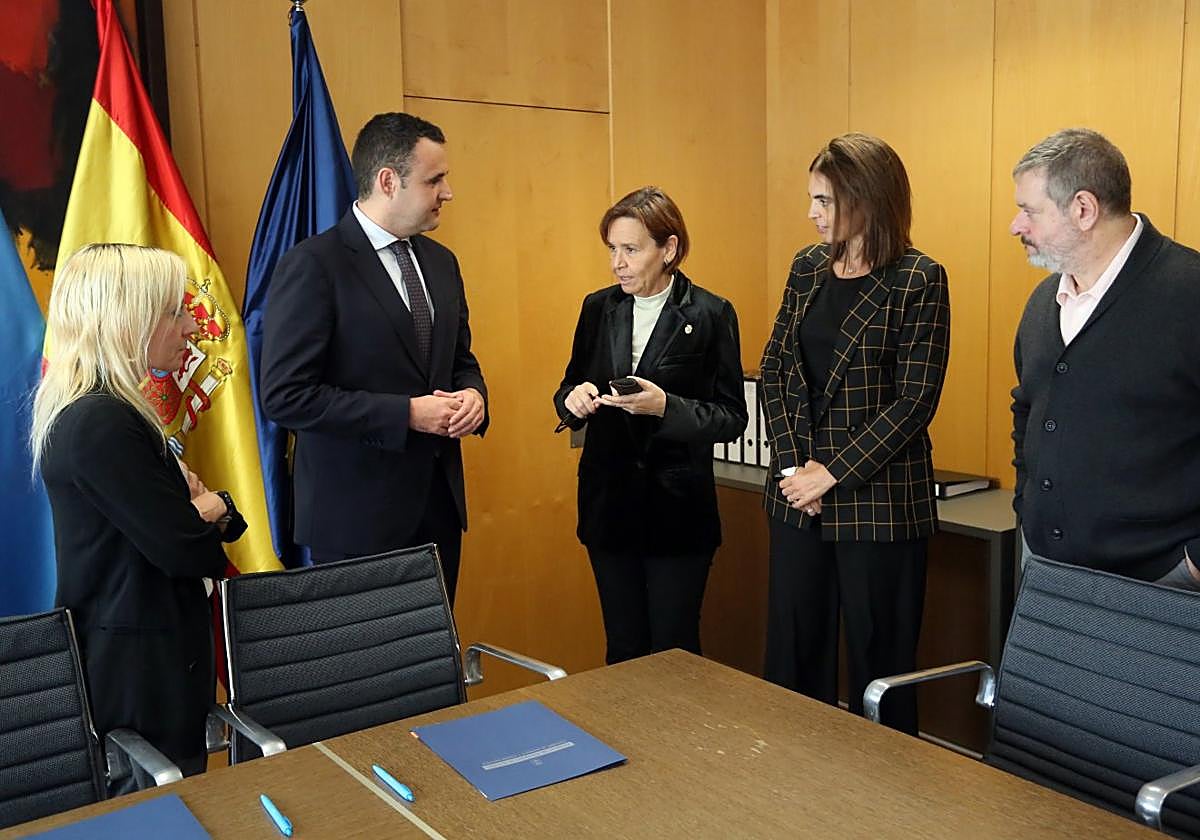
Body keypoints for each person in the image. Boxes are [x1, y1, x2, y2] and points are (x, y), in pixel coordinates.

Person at [30, 243, 245, 790]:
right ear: (130, 319)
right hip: (135, 671)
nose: (191, 328)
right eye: (174, 311)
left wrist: (196, 510)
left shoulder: (110, 412)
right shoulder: (102, 421)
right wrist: (213, 505)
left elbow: (177, 529)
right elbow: (185, 547)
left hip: (148, 655)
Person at [760, 134, 950, 735]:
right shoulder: (806, 266)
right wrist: (795, 470)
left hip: (879, 500)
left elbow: (914, 400)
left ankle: (887, 802)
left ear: (867, 199)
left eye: (824, 200)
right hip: (798, 500)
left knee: (879, 667)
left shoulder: (918, 279)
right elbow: (777, 368)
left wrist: (830, 471)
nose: (812, 213)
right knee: (795, 654)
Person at [261, 112, 487, 603]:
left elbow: (460, 358)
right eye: (435, 180)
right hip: (355, 523)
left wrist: (474, 394)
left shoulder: (442, 263)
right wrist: (405, 414)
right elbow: (285, 396)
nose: (447, 192)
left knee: (430, 666)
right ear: (388, 181)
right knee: (370, 678)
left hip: (437, 511)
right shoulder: (313, 265)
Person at [553, 187, 747, 664]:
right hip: (609, 506)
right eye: (612, 250)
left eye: (631, 249)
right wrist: (571, 401)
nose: (617, 263)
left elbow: (731, 417)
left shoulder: (710, 313)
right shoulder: (598, 308)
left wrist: (667, 408)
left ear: (670, 249)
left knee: (673, 650)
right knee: (622, 647)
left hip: (677, 512)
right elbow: (569, 387)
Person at [1010, 127, 1200, 591]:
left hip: (1163, 579)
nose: (1017, 226)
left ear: (1083, 209)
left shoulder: (1190, 293)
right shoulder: (1042, 303)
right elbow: (1028, 410)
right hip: (1047, 571)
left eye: (1029, 211)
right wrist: (1026, 507)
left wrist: (1194, 562)